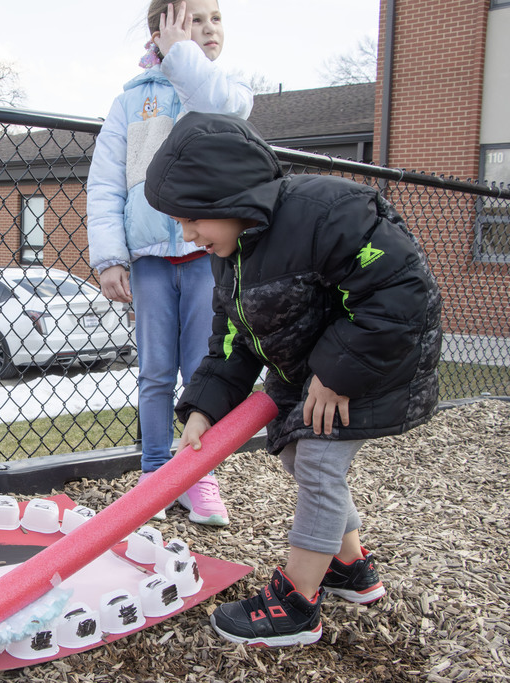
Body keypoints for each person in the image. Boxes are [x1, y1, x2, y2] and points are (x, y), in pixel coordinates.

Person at [144, 111, 442, 647]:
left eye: (193, 219)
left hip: (373, 361)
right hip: (311, 370)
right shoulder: (231, 253)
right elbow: (233, 337)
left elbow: (399, 291)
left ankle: (298, 604)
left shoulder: (329, 212)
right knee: (295, 455)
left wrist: (336, 373)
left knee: (319, 462)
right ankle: (350, 568)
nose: (186, 234)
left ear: (230, 201)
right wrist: (204, 407)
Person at [86, 0, 252, 525]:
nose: (207, 29)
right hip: (152, 259)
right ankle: (155, 474)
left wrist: (184, 57)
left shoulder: (222, 87)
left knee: (203, 369)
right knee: (155, 372)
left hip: (209, 256)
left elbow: (221, 106)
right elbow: (107, 183)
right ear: (158, 31)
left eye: (214, 19)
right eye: (192, 20)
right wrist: (111, 256)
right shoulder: (131, 103)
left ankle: (196, 475)